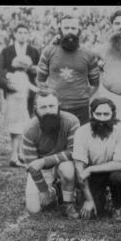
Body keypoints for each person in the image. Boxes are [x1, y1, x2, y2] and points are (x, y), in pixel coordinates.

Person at [20, 89, 79, 218]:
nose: (48, 110)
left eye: (52, 106)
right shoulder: (30, 129)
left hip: (62, 164)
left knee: (68, 169)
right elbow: (31, 165)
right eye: (43, 107)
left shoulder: (71, 121)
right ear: (36, 109)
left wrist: (44, 161)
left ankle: (68, 203)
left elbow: (73, 152)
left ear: (58, 105)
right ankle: (55, 191)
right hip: (42, 170)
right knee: (34, 210)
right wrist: (43, 190)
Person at [72, 97, 121, 221]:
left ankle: (117, 207)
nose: (102, 119)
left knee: (119, 177)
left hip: (112, 172)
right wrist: (88, 199)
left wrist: (91, 169)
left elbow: (120, 164)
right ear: (91, 114)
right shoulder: (81, 132)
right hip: (93, 176)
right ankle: (88, 195)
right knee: (92, 214)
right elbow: (79, 167)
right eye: (98, 114)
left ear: (113, 115)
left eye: (106, 114)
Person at [36, 15, 100, 125]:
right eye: (66, 28)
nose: (69, 31)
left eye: (73, 28)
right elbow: (40, 80)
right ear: (60, 30)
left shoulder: (89, 54)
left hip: (81, 109)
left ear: (79, 31)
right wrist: (50, 97)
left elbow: (95, 83)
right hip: (55, 108)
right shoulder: (48, 51)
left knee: (79, 140)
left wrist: (82, 96)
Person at [3, 55, 39, 166]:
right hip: (19, 107)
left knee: (16, 132)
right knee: (19, 132)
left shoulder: (14, 75)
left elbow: (26, 87)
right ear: (25, 66)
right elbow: (30, 88)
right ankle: (14, 157)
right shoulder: (22, 76)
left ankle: (18, 154)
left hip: (13, 107)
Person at [0, 24, 40, 117]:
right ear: (15, 34)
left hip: (29, 90)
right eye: (20, 32)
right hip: (12, 89)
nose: (23, 35)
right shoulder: (6, 50)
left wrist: (36, 69)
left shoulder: (34, 51)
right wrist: (8, 77)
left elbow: (39, 68)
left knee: (27, 116)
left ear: (28, 35)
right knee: (13, 117)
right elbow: (1, 69)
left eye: (25, 33)